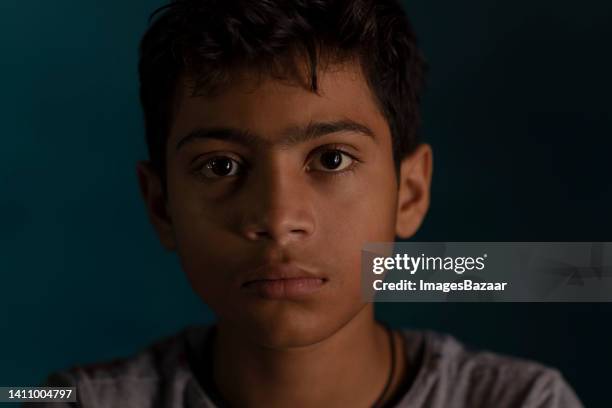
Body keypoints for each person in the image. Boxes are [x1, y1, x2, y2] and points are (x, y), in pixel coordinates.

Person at [32, 0, 583, 406]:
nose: (277, 220)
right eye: (221, 165)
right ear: (161, 205)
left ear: (409, 193)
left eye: (332, 159)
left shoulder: (524, 401)